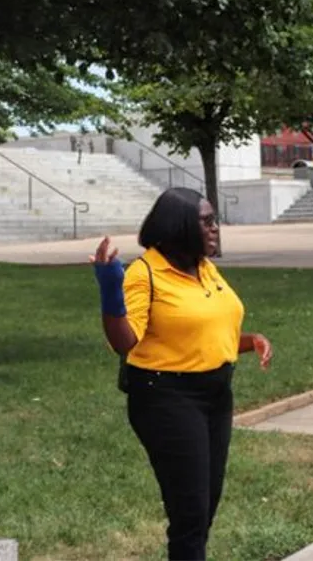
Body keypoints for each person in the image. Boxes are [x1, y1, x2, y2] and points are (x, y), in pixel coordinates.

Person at [90, 187, 273, 561]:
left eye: (214, 220)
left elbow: (200, 328)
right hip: (167, 399)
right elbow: (125, 342)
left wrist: (249, 340)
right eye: (206, 221)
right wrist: (111, 289)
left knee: (204, 508)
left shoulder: (203, 267)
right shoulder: (145, 273)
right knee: (189, 513)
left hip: (216, 395)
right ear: (179, 226)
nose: (215, 228)